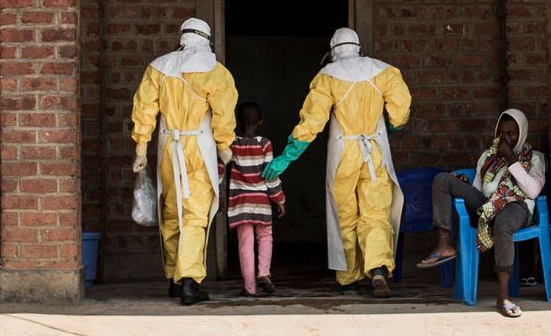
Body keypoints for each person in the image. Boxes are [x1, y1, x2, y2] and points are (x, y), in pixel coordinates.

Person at [263, 28, 412, 297]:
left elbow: (312, 122)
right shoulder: (385, 72)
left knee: (345, 215)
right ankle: (378, 269)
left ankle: (348, 277)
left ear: (333, 51)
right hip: (375, 151)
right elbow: (400, 114)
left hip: (344, 152)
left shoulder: (327, 77)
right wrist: (387, 129)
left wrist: (287, 156)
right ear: (358, 47)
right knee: (376, 211)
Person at [131, 17, 239, 307]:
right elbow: (223, 115)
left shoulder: (159, 67)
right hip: (199, 145)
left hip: (168, 146)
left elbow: (144, 110)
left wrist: (141, 148)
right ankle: (190, 281)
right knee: (195, 215)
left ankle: (173, 278)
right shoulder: (215, 71)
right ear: (206, 39)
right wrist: (225, 146)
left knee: (170, 212)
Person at [416, 108, 547, 319]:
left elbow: (532, 191)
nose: (505, 138)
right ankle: (444, 244)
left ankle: (503, 296)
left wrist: (511, 159)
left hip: (516, 206)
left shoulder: (535, 158)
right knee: (442, 180)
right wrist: (465, 187)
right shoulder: (487, 157)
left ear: (522, 133)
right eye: (501, 133)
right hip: (486, 205)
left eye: (511, 134)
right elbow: (478, 190)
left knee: (503, 224)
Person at [226, 101, 285, 298]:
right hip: (261, 201)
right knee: (265, 236)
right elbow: (270, 174)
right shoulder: (265, 144)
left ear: (237, 123)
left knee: (245, 244)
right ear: (260, 122)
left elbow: (220, 166)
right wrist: (279, 198)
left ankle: (249, 287)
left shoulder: (232, 143)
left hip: (240, 203)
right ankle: (264, 274)